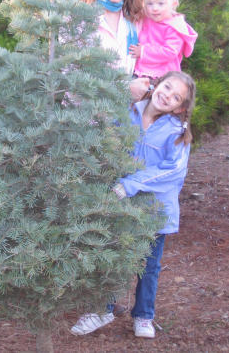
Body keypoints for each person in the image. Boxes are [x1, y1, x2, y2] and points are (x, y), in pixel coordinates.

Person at [71, 71, 196, 338]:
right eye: (167, 87)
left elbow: (172, 172)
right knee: (110, 258)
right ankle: (101, 309)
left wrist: (131, 184)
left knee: (149, 265)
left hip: (154, 211)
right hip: (120, 205)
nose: (168, 96)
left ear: (181, 107)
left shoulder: (176, 132)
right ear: (156, 84)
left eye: (176, 97)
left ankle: (143, 316)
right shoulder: (127, 113)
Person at [83, 0, 150, 101]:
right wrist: (125, 88)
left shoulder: (131, 23)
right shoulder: (78, 16)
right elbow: (72, 77)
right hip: (84, 120)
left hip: (122, 118)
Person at [130, 0, 197, 80]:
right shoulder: (147, 17)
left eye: (161, 3)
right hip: (140, 71)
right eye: (150, 4)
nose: (155, 8)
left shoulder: (174, 27)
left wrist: (143, 51)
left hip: (162, 76)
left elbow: (170, 51)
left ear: (173, 4)